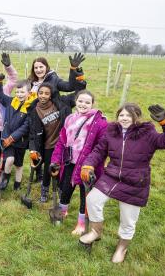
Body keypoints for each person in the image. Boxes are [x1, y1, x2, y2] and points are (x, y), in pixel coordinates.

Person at [79, 103, 165, 263]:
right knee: (92, 200)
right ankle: (96, 231)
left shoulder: (148, 134)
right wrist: (88, 164)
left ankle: (122, 247)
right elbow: (99, 150)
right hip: (112, 176)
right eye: (121, 115)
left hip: (135, 180)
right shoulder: (111, 132)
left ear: (136, 118)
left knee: (128, 220)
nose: (124, 118)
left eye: (128, 115)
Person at [49, 90, 107, 235]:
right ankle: (62, 212)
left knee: (84, 193)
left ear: (92, 104)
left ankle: (81, 223)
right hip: (69, 161)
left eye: (87, 102)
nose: (83, 104)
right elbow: (62, 141)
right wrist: (56, 160)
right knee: (66, 187)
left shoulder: (100, 122)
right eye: (80, 101)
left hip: (87, 165)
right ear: (76, 101)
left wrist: (91, 165)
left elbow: (102, 147)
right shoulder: (69, 118)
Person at [29, 53, 87, 182]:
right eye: (36, 67)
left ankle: (54, 176)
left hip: (52, 115)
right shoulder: (31, 82)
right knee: (36, 145)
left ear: (47, 67)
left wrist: (73, 70)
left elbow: (70, 87)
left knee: (51, 147)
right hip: (36, 115)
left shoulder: (54, 79)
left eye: (41, 67)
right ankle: (38, 173)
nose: (38, 70)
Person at [28, 78, 86, 202]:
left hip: (64, 144)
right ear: (37, 94)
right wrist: (33, 149)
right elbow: (33, 132)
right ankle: (44, 192)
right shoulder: (34, 110)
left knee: (62, 170)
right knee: (49, 169)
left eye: (46, 93)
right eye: (41, 93)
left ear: (51, 95)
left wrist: (78, 76)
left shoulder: (62, 103)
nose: (43, 95)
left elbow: (79, 93)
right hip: (48, 145)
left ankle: (60, 190)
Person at [0, 76, 35, 190]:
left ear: (29, 92)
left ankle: (17, 184)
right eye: (17, 91)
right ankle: (5, 177)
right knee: (10, 159)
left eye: (22, 92)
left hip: (20, 141)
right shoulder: (11, 101)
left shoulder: (31, 107)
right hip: (7, 139)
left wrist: (12, 138)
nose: (19, 94)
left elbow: (25, 127)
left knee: (19, 164)